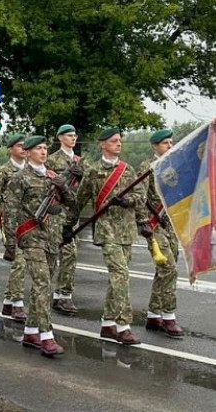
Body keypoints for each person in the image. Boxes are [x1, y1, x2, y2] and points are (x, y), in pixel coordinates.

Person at [63, 128, 144, 345]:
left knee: (117, 278)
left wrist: (127, 201)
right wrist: (68, 226)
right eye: (114, 141)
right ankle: (123, 325)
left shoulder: (128, 170)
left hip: (127, 231)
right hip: (106, 230)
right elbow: (78, 201)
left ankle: (108, 324)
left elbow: (140, 196)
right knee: (121, 276)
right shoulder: (93, 171)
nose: (119, 144)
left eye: (120, 141)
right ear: (103, 144)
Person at [4, 135, 73, 358]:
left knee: (42, 285)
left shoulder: (53, 177)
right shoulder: (20, 178)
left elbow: (71, 204)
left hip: (51, 238)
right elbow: (10, 211)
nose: (43, 152)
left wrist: (63, 189)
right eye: (38, 149)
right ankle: (46, 335)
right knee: (43, 283)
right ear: (27, 152)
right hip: (31, 238)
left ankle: (31, 331)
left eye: (45, 148)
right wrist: (10, 242)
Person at [136, 129, 183, 337]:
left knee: (163, 271)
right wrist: (144, 221)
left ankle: (153, 315)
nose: (170, 146)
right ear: (155, 146)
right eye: (165, 143)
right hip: (154, 225)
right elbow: (139, 197)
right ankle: (168, 316)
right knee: (169, 268)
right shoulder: (148, 167)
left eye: (171, 142)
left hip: (171, 224)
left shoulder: (176, 166)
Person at [47, 124, 87, 315]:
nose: (73, 138)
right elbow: (46, 185)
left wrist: (83, 177)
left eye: (74, 135)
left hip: (73, 213)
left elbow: (89, 186)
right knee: (57, 253)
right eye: (69, 135)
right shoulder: (52, 160)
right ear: (60, 138)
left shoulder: (81, 161)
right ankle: (56, 293)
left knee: (71, 254)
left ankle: (63, 294)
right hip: (57, 212)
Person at [0, 133, 28, 321]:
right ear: (11, 148)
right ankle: (17, 304)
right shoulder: (3, 172)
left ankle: (8, 303)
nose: (23, 149)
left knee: (25, 261)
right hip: (9, 221)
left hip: (28, 221)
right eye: (19, 146)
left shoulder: (32, 169)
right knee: (19, 261)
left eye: (25, 146)